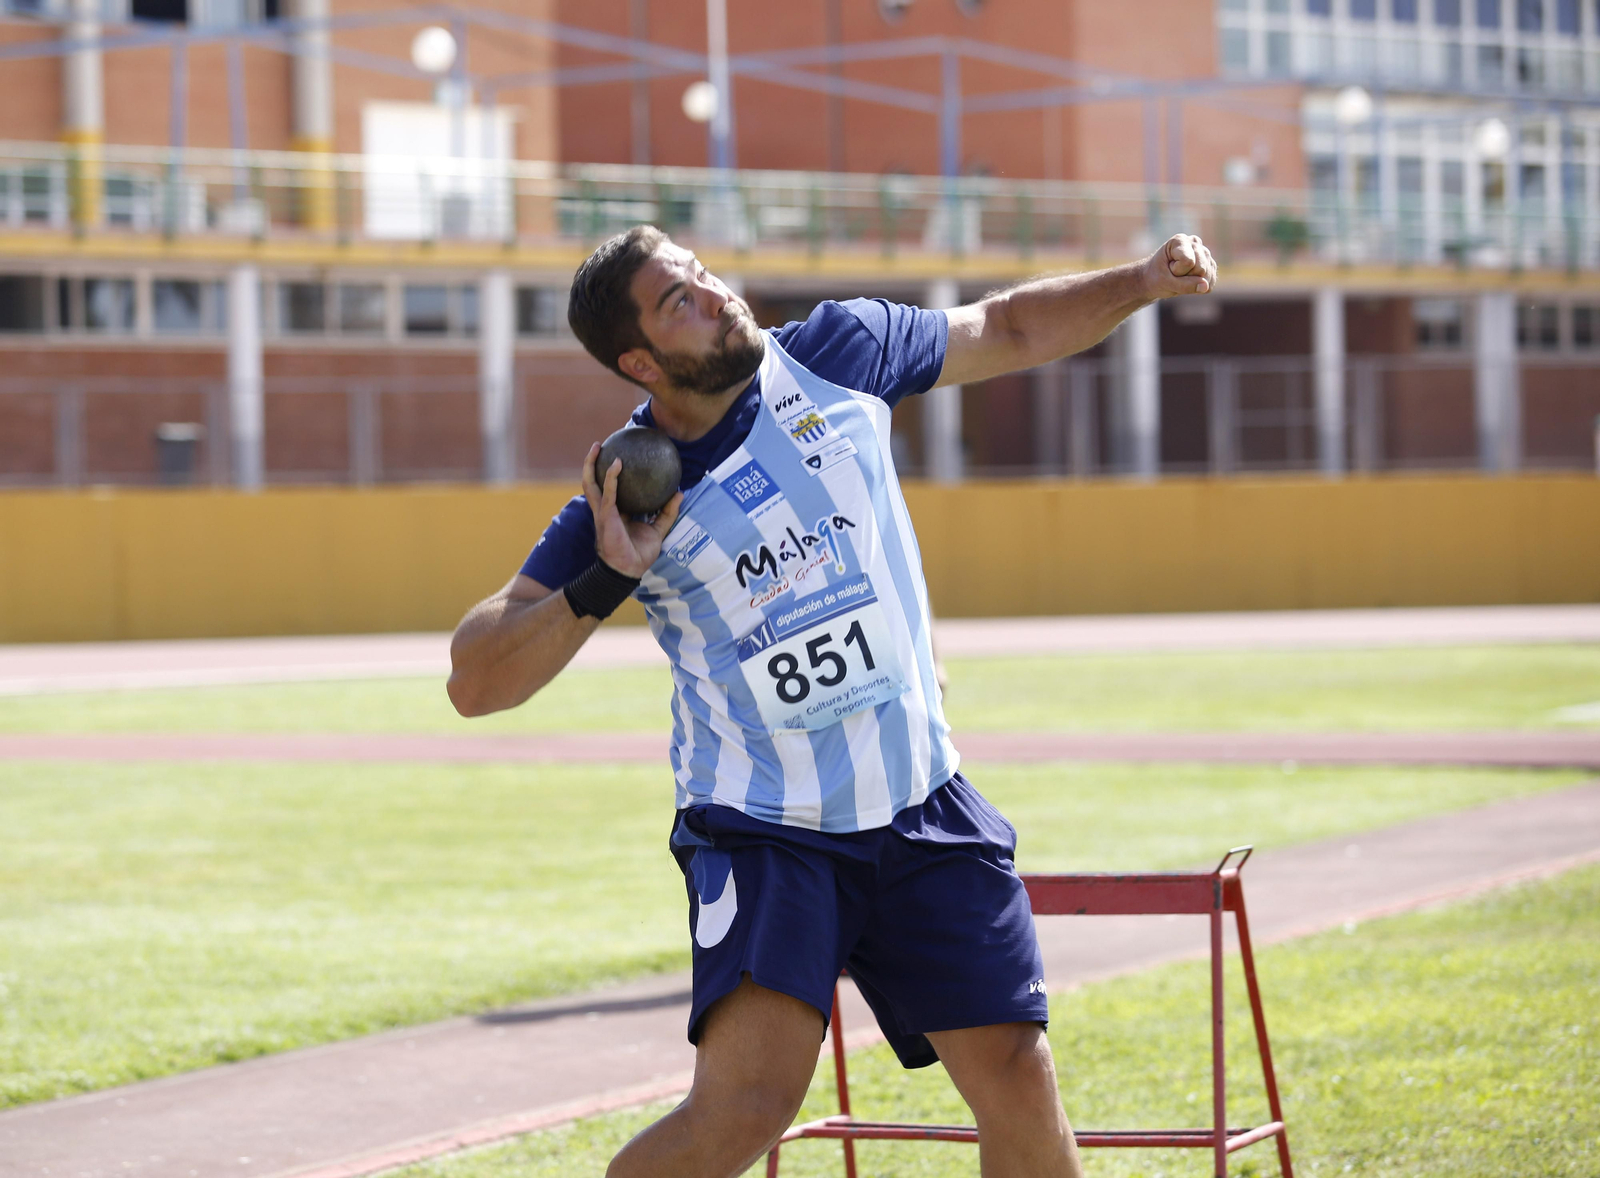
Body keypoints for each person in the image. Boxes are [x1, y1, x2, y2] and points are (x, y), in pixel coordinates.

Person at [446, 225, 1217, 1178]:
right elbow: (474, 678)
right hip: (768, 831)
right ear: (639, 361)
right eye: (676, 299)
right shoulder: (634, 491)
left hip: (921, 800)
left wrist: (1141, 279)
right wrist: (603, 581)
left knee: (1018, 1072)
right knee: (747, 1109)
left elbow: (1008, 327)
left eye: (700, 273)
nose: (714, 293)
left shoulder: (838, 354)